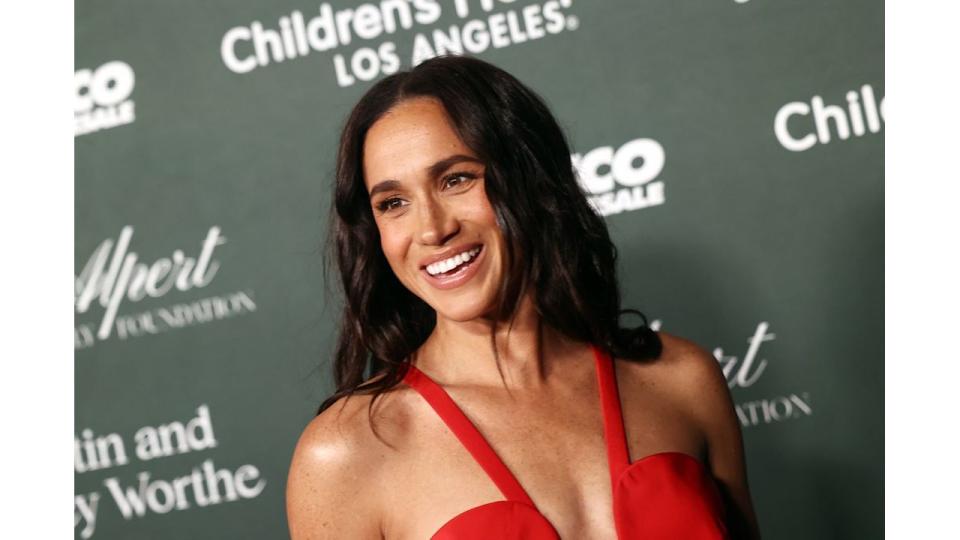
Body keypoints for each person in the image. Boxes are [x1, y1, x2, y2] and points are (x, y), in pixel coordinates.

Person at [287, 55, 761, 539]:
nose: (431, 228)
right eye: (393, 204)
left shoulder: (683, 382)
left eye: (456, 179)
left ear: (531, 179)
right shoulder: (346, 453)